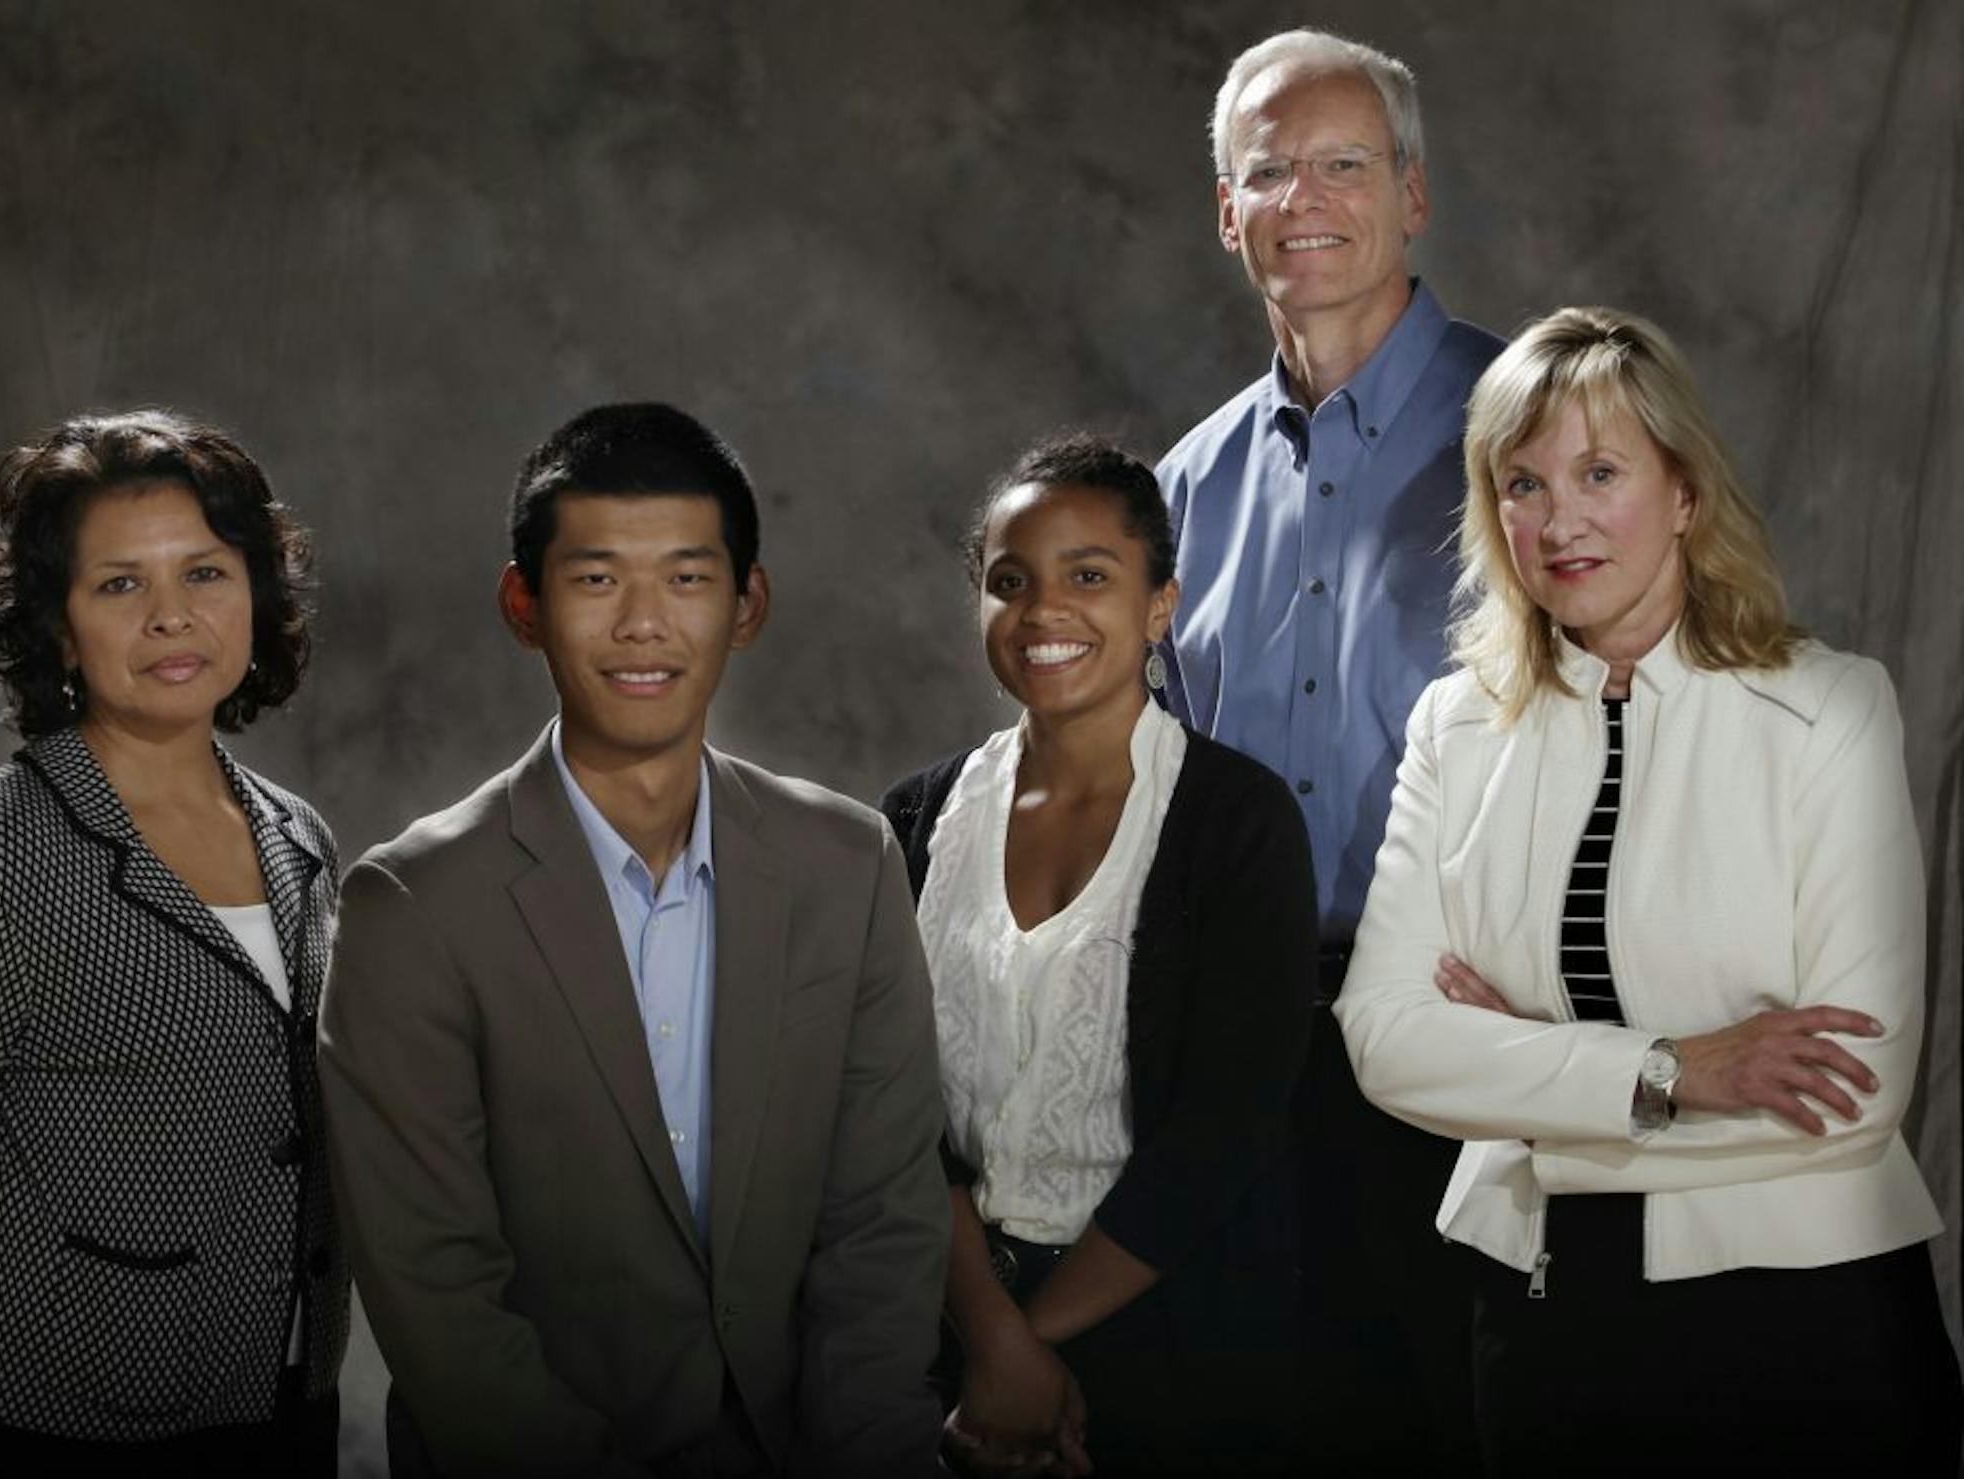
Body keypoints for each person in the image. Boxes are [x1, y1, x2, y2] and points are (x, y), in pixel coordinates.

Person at [1334, 307, 1964, 1475]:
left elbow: (1855, 1089)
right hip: (1545, 1320)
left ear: (1683, 492)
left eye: (1600, 471)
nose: (1559, 517)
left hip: (1811, 1322)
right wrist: (1675, 1071)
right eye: (1521, 483)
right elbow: (1383, 1040)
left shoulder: (1830, 710)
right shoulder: (1455, 727)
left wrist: (1529, 1088)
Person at [318, 402, 950, 1479]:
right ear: (525, 603)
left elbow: (881, 1227)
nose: (644, 624)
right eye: (597, 579)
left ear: (747, 604)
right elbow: (441, 1302)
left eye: (689, 579)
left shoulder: (848, 864)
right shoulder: (412, 906)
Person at [0, 411, 348, 1475]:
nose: (170, 618)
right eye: (118, 586)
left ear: (257, 595)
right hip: (46, 1424)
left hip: (281, 1399)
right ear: (57, 628)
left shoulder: (299, 835)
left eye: (204, 572)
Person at [1154, 27, 1502, 1467]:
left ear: (1413, 196)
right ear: (1225, 212)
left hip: (1475, 1041)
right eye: (1268, 170)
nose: (1306, 198)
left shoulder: (1537, 432)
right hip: (1239, 1057)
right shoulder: (1181, 485)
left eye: (1345, 163)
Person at [881, 436, 1317, 1477]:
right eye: (1009, 582)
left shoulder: (1237, 820)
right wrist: (991, 1339)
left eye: (1089, 576)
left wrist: (1032, 1350)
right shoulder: (912, 820)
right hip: (941, 1334)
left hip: (1181, 1345)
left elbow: (1225, 1128)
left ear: (1161, 603)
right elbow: (885, 1106)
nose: (1044, 612)